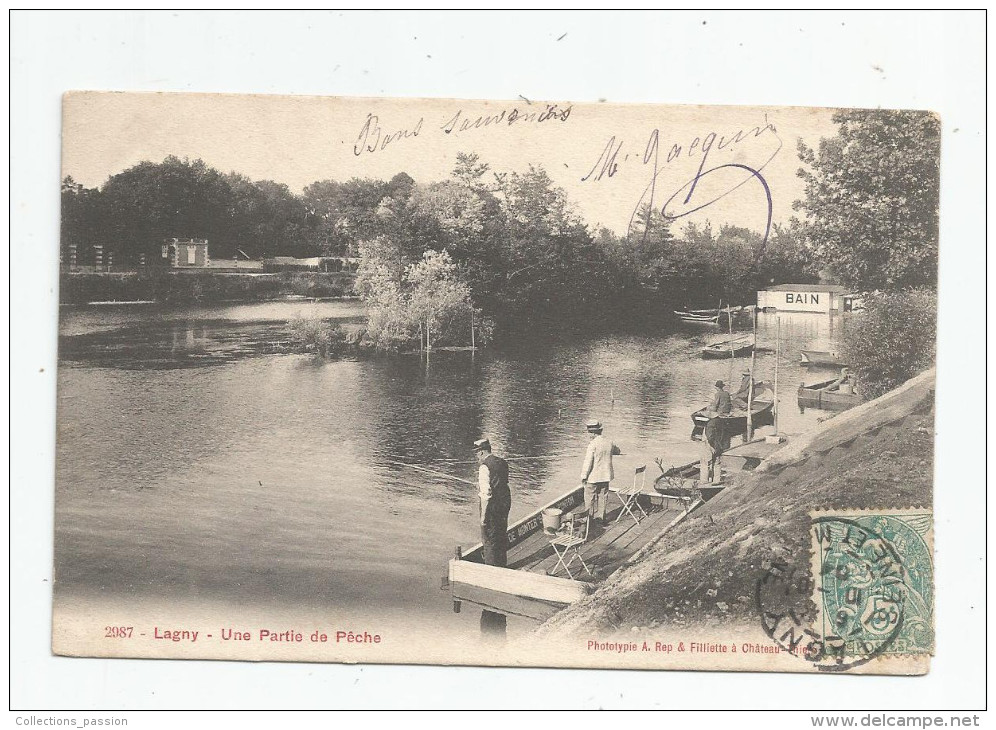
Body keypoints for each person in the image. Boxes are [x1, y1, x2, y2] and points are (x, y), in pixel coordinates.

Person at [474, 438, 510, 568]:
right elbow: (500, 483)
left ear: (482, 452)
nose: (477, 458)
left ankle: (491, 570)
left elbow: (486, 495)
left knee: (489, 539)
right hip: (504, 504)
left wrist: (483, 517)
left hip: (492, 507)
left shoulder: (484, 467)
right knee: (501, 534)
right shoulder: (503, 462)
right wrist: (482, 486)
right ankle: (502, 566)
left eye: (477, 454)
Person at [580, 420, 622, 527]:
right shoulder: (609, 442)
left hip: (593, 478)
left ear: (592, 433)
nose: (589, 435)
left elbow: (588, 463)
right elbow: (618, 451)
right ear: (600, 431)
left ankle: (587, 520)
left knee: (589, 498)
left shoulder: (592, 445)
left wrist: (584, 476)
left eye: (589, 433)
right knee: (602, 497)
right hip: (605, 476)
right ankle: (601, 519)